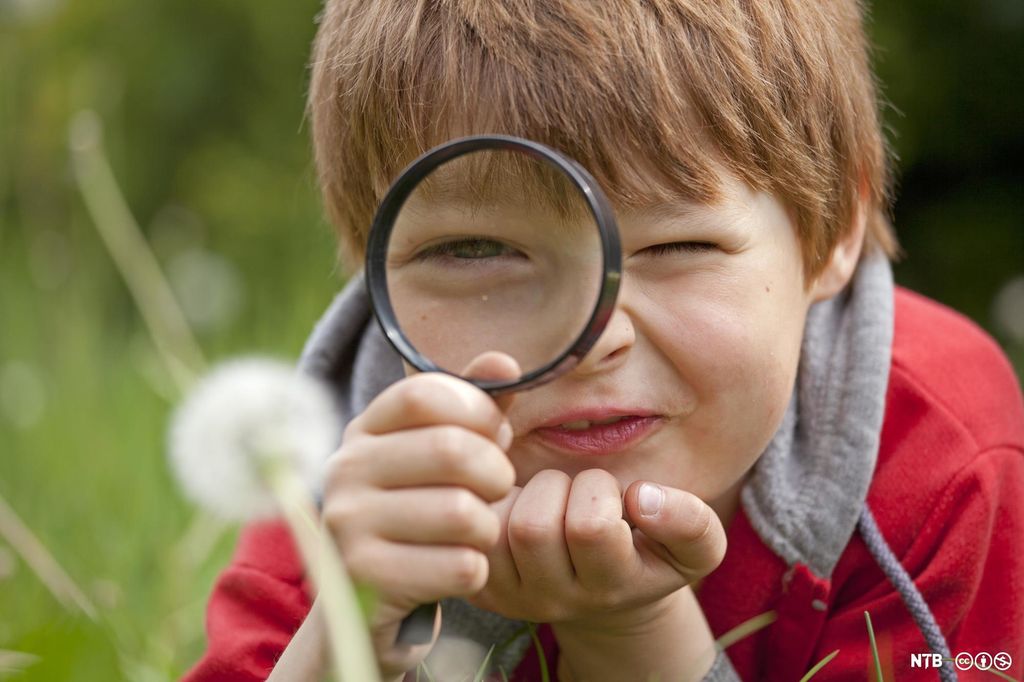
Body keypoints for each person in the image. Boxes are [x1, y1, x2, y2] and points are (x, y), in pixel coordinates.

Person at [184, 1, 1024, 680]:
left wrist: (633, 635)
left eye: (675, 248)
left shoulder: (938, 472)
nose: (588, 340)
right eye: (476, 251)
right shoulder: (337, 471)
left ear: (834, 232)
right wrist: (343, 629)